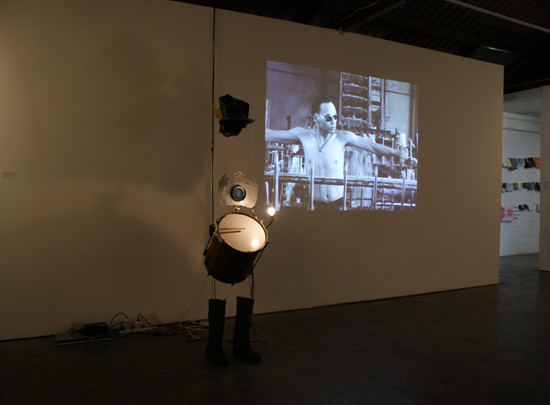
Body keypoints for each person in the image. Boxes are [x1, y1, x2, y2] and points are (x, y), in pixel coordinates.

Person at [266, 98, 413, 208]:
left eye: (335, 117)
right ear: (316, 118)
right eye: (328, 117)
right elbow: (270, 135)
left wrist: (396, 152)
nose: (333, 121)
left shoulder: (342, 137)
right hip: (313, 203)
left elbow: (371, 146)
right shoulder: (303, 135)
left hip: (337, 203)